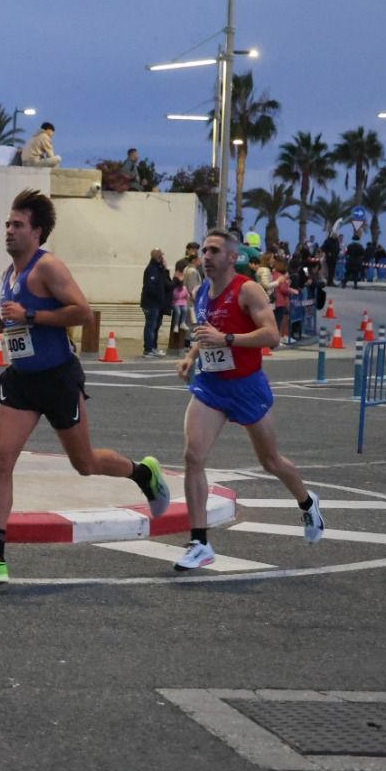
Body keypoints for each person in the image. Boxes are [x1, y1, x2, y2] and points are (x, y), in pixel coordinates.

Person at [0, 189, 169, 585]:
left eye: (17, 225)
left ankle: (143, 474)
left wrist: (30, 314)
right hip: (21, 379)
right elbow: (24, 322)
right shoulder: (10, 274)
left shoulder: (48, 267)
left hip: (57, 377)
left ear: (37, 232)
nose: (9, 230)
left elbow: (83, 313)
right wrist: (5, 325)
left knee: (84, 463)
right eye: (7, 223)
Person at [173, 228, 325, 571]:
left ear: (231, 256)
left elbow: (271, 335)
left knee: (271, 461)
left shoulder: (248, 289)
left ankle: (306, 501)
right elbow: (206, 330)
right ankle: (200, 542)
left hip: (246, 386)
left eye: (214, 251)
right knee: (193, 456)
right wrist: (192, 355)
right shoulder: (201, 292)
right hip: (211, 386)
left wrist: (226, 338)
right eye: (204, 251)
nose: (206, 256)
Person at [140, 247, 171, 357]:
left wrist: (166, 269)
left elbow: (167, 284)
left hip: (157, 304)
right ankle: (148, 349)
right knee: (150, 326)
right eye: (161, 256)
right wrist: (158, 298)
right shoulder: (151, 269)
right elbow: (150, 288)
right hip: (151, 304)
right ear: (158, 257)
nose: (163, 257)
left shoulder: (159, 269)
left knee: (155, 326)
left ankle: (153, 347)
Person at [270, 256, 300, 345]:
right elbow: (283, 289)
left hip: (275, 301)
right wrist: (289, 290)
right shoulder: (280, 277)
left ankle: (278, 338)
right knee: (278, 321)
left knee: (276, 321)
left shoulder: (273, 275)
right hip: (280, 301)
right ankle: (277, 339)